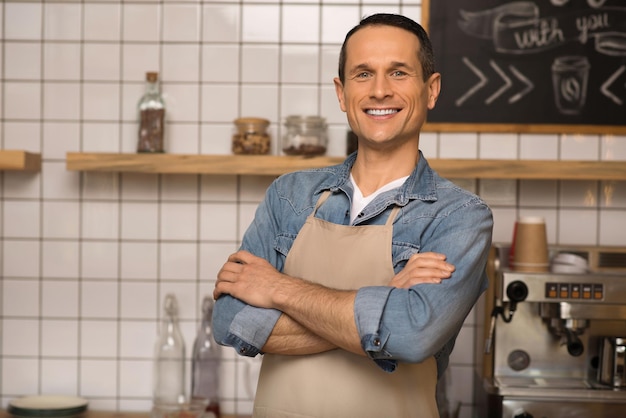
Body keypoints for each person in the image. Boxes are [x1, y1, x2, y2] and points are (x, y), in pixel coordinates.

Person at [212, 13, 493, 418]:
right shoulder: (288, 196)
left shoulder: (459, 216)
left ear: (431, 89)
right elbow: (231, 321)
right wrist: (385, 300)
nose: (380, 91)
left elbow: (412, 335)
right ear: (342, 94)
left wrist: (278, 289)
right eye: (363, 74)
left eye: (398, 72)